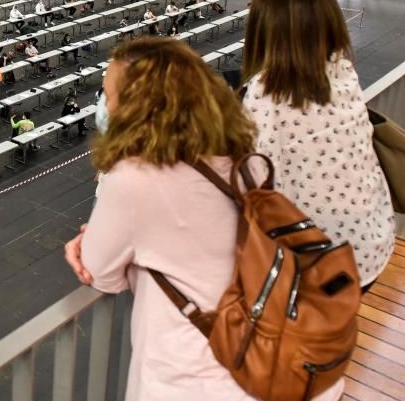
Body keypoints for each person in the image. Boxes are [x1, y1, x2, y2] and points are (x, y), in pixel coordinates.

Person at [61, 37, 340, 401]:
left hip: (201, 378)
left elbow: (100, 273)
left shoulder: (131, 178)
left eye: (108, 93)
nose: (104, 104)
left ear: (135, 107)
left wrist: (102, 242)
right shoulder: (246, 160)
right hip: (284, 362)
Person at [241, 0, 395, 290]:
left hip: (322, 261)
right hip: (371, 244)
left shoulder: (267, 92)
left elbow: (253, 184)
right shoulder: (342, 70)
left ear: (265, 30)